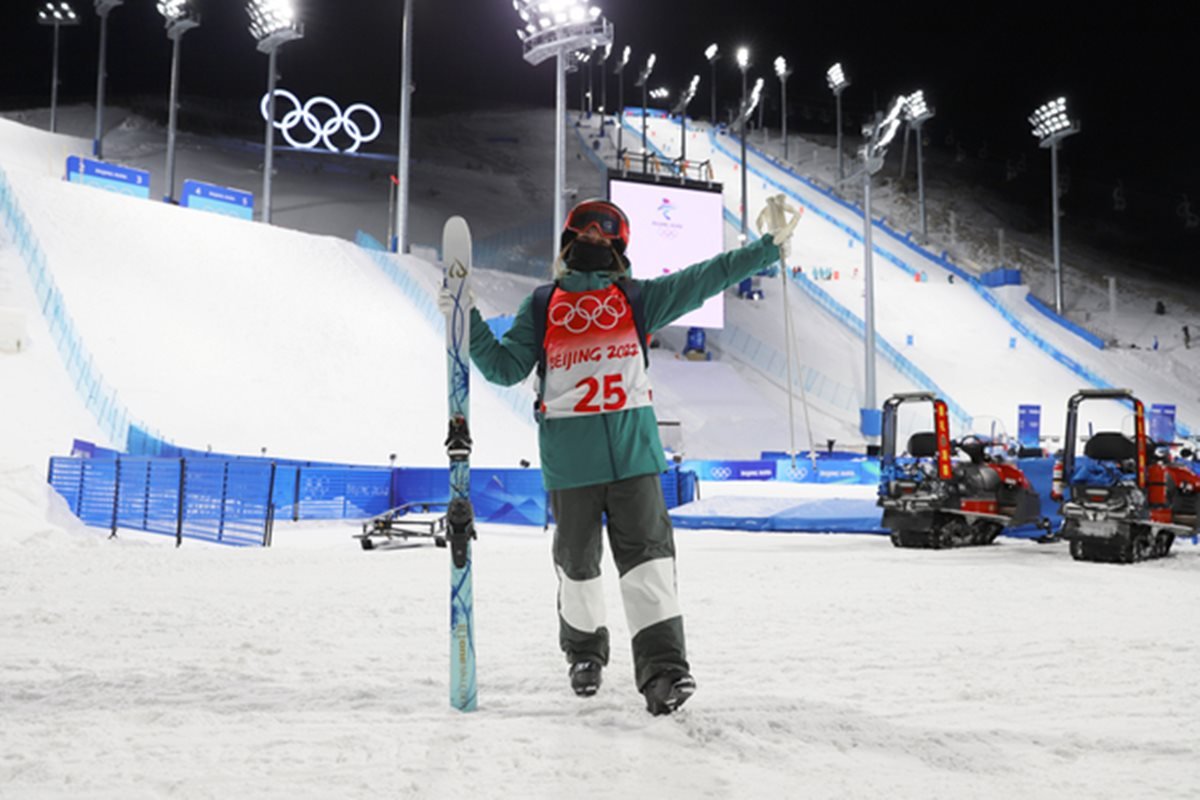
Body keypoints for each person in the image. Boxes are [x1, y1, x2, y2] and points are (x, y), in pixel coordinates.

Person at [449, 196, 796, 715]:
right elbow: (502, 367)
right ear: (568, 243)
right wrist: (465, 317)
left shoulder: (637, 300)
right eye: (584, 235)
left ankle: (663, 674)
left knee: (649, 569)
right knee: (578, 567)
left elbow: (705, 277)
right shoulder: (542, 306)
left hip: (635, 461)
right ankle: (585, 656)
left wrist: (764, 250)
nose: (593, 241)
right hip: (571, 465)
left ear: (618, 250)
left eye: (603, 237)